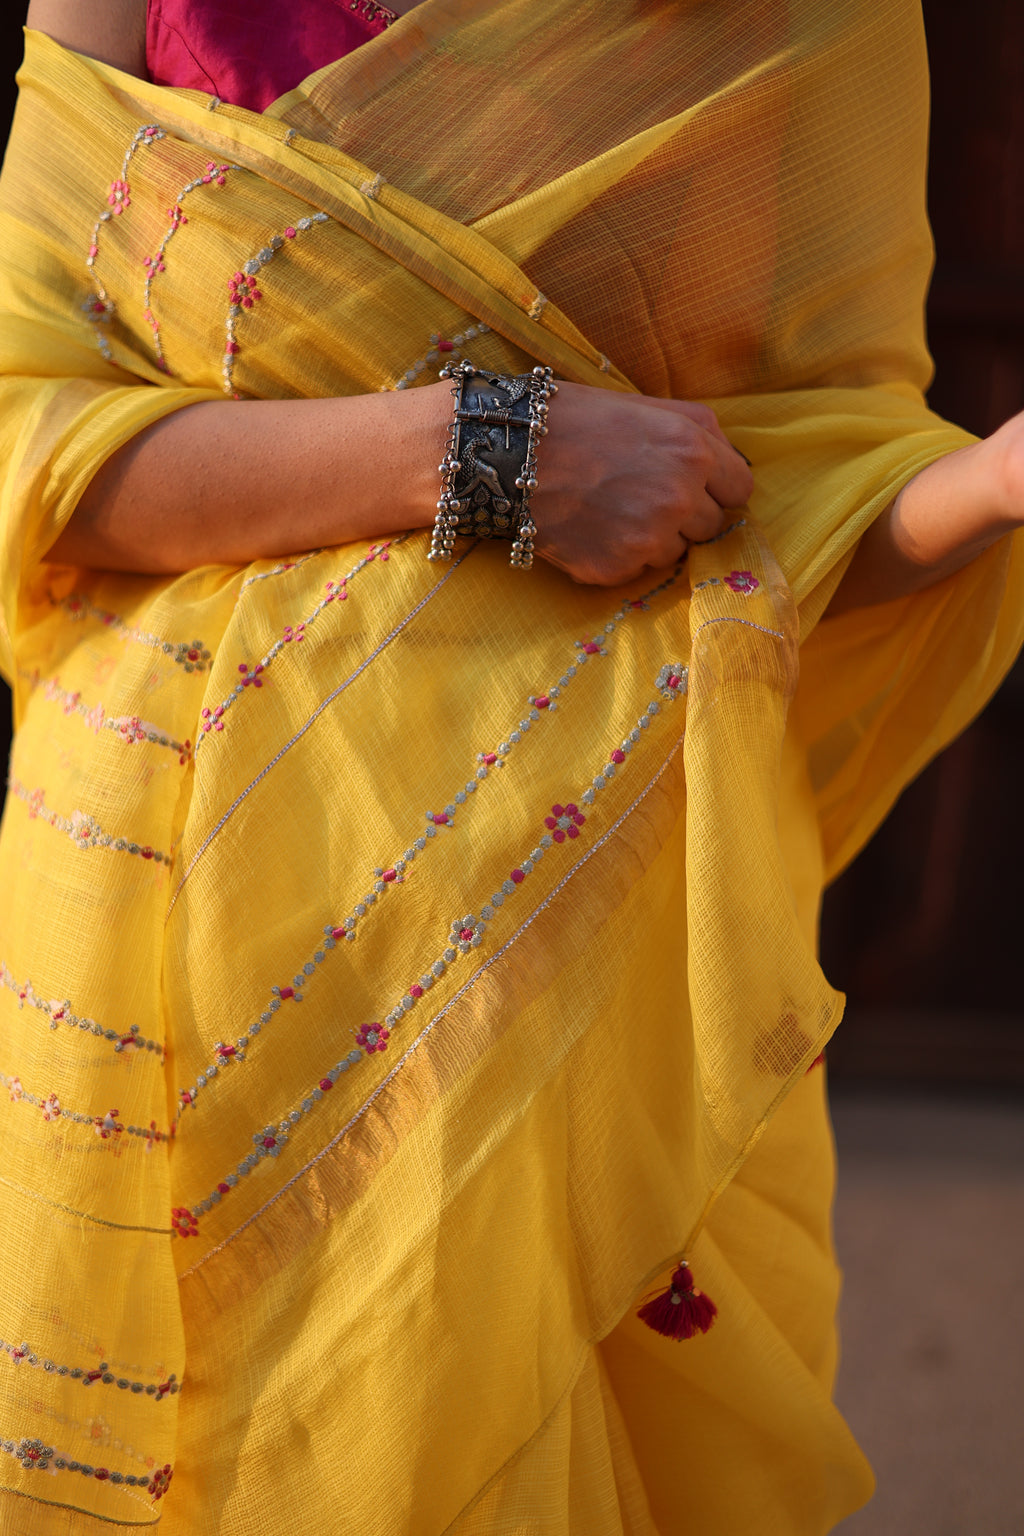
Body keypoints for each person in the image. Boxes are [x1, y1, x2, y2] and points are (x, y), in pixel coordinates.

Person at [0, 0, 1020, 1529]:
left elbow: (790, 493)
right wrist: (490, 451)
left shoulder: (791, 29)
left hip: (578, 932)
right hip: (182, 918)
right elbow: (32, 438)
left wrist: (996, 487)